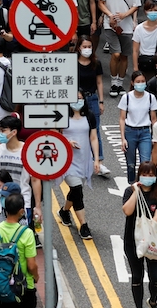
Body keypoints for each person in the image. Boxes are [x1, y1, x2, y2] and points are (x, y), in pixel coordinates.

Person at [0, 193, 37, 308]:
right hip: (24, 287)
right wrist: (36, 276)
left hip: (0, 286)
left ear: (5, 210)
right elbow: (31, 265)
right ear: (21, 211)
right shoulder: (27, 233)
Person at [57, 89, 100, 240]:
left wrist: (96, 159)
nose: (78, 101)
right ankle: (84, 225)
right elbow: (55, 135)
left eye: (80, 98)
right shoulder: (61, 115)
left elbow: (93, 138)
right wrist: (67, 142)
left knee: (76, 189)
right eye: (75, 98)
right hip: (67, 160)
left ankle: (64, 211)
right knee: (77, 188)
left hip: (83, 158)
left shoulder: (89, 116)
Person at [121, 161, 157, 308]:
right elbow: (127, 211)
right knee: (137, 277)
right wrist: (136, 192)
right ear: (139, 175)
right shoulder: (130, 191)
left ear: (155, 176)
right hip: (132, 241)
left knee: (155, 278)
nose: (147, 177)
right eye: (144, 174)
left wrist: (149, 232)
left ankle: (153, 300)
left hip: (152, 240)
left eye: (151, 175)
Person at [97, 0, 142, 96]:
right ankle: (113, 82)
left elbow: (136, 5)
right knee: (115, 54)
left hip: (127, 25)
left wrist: (125, 15)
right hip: (111, 25)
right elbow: (100, 2)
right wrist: (110, 15)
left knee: (124, 56)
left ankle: (120, 83)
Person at [76, 38, 111, 176]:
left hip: (92, 98)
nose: (87, 49)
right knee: (77, 129)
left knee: (95, 130)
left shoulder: (96, 63)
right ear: (79, 47)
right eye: (84, 46)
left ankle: (99, 162)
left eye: (90, 46)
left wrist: (101, 101)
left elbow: (99, 82)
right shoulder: (72, 62)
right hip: (76, 100)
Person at [119, 71, 157, 183]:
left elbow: (153, 119)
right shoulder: (126, 98)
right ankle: (132, 184)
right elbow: (122, 118)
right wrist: (123, 138)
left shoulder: (151, 98)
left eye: (143, 81)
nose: (140, 84)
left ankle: (143, 185)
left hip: (145, 132)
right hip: (130, 132)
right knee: (130, 164)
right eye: (138, 82)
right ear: (132, 83)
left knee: (145, 162)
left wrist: (154, 137)